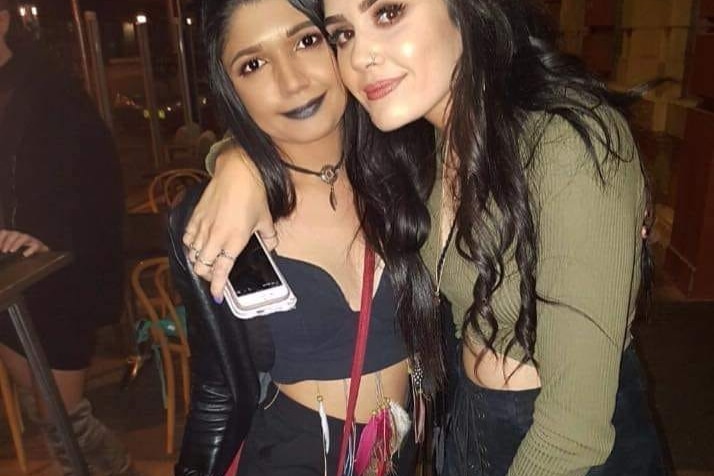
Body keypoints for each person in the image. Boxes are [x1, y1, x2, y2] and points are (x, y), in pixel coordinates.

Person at [182, 0, 670, 475]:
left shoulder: (559, 141)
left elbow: (574, 430)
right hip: (460, 431)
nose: (361, 56)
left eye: (388, 13)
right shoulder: (422, 145)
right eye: (344, 34)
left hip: (562, 448)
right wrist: (236, 161)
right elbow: (215, 387)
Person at [169, 0, 440, 474]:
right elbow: (217, 386)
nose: (291, 81)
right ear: (231, 89)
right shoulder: (218, 217)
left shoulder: (413, 161)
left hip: (400, 454)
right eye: (252, 65)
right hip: (288, 455)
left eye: (307, 41)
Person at [0, 1, 139, 474]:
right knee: (50, 413)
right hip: (8, 275)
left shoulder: (48, 89)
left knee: (64, 419)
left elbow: (90, 178)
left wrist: (43, 233)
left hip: (53, 272)